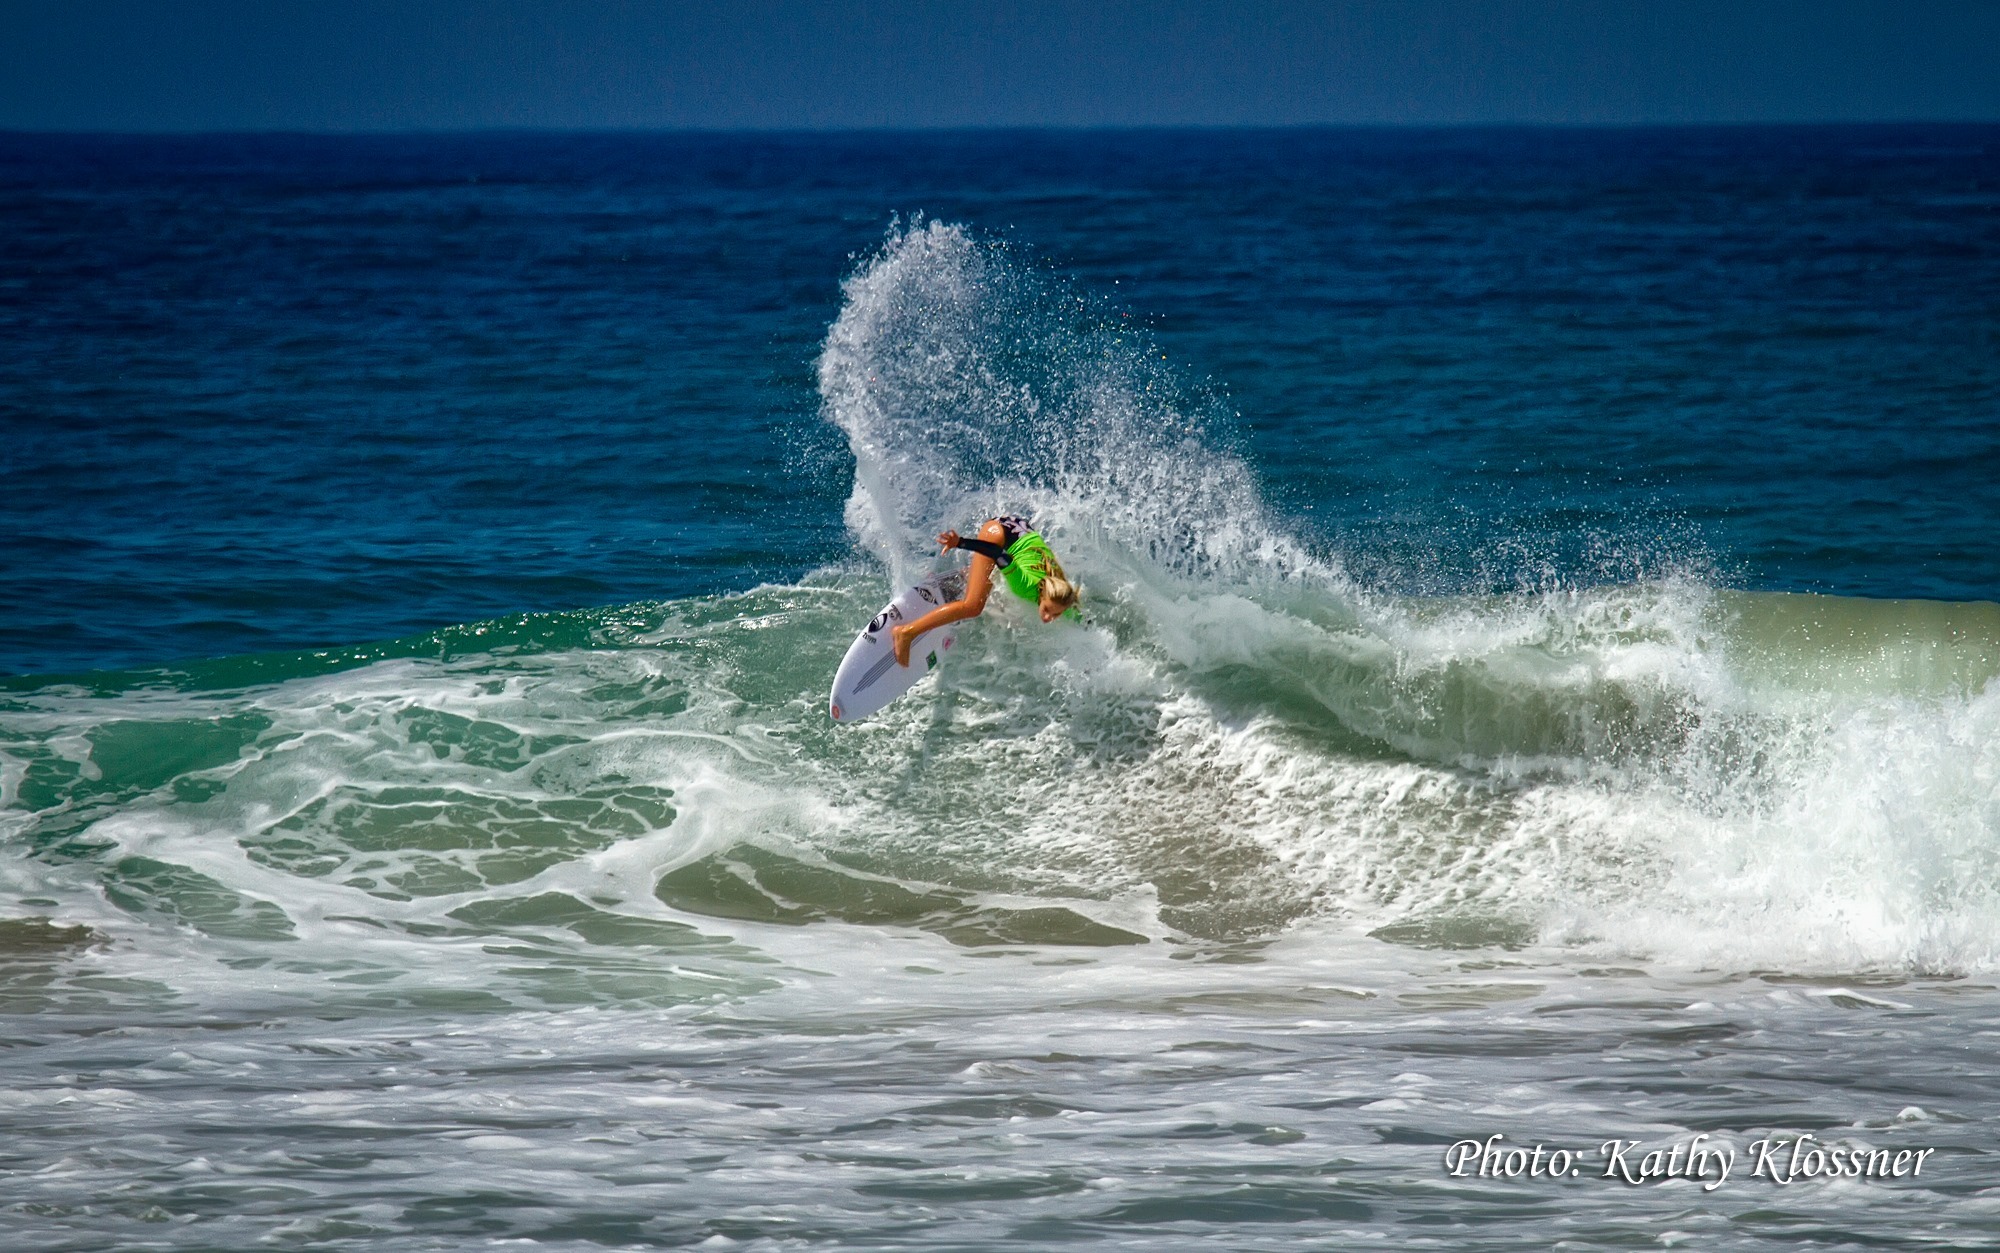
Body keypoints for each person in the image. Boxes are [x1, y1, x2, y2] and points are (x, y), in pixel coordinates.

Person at [891, 514, 1079, 666]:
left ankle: (970, 575)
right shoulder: (1025, 584)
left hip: (1021, 529)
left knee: (991, 582)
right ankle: (906, 632)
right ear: (1043, 594)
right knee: (973, 606)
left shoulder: (1064, 597)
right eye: (1047, 610)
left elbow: (1080, 619)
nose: (1048, 618)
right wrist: (960, 542)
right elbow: (997, 553)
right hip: (998, 534)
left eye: (1055, 614)